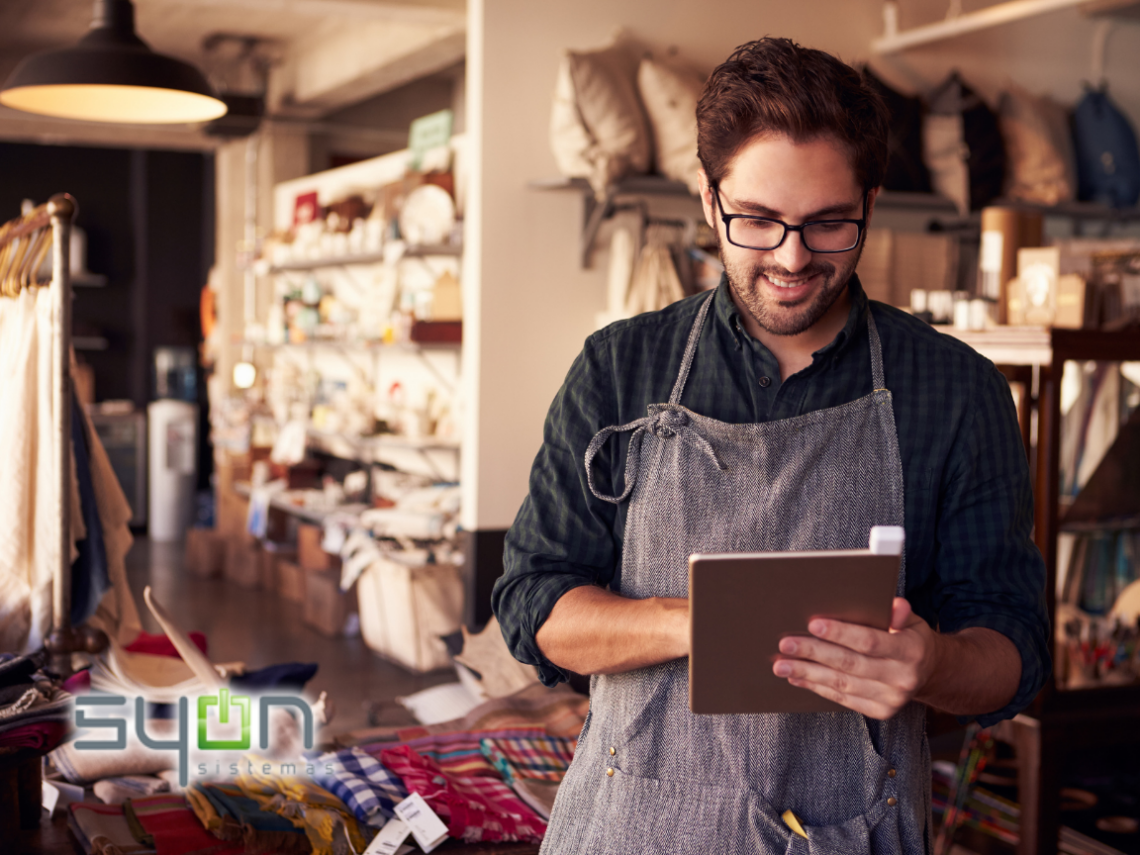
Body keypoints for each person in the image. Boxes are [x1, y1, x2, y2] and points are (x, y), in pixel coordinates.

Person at [493, 37, 1049, 853]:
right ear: (710, 201)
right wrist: (703, 623)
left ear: (871, 199)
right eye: (757, 221)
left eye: (830, 224)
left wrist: (928, 665)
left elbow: (1015, 650)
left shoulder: (956, 390)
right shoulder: (619, 369)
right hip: (632, 829)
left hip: (853, 832)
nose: (792, 257)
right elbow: (532, 604)